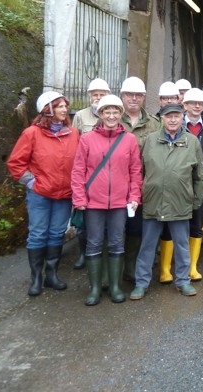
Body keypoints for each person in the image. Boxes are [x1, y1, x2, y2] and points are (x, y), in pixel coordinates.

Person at [70, 94, 142, 305]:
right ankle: (94, 289)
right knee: (93, 243)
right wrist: (79, 198)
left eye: (115, 112)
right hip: (93, 202)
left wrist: (134, 196)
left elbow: (135, 172)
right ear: (100, 115)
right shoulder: (87, 140)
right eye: (107, 112)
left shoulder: (129, 140)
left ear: (121, 114)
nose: (111, 116)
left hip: (120, 203)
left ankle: (115, 286)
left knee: (117, 243)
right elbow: (78, 171)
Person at [130, 104, 203, 299]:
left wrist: (195, 200)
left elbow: (200, 176)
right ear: (162, 118)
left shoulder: (192, 142)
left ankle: (183, 281)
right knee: (147, 245)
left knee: (181, 244)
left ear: (183, 117)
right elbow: (140, 171)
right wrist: (142, 194)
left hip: (180, 202)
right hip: (153, 201)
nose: (173, 120)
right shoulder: (150, 141)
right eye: (168, 116)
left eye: (177, 116)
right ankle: (141, 283)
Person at [8, 91, 79, 296]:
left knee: (57, 234)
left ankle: (51, 275)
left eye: (65, 106)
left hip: (64, 195)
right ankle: (36, 278)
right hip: (40, 194)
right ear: (47, 110)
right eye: (59, 106)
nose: (65, 110)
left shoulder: (73, 134)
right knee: (38, 234)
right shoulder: (32, 133)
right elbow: (15, 163)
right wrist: (32, 182)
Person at [159, 88, 203, 283]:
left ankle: (192, 267)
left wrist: (201, 173)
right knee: (170, 224)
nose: (197, 106)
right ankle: (166, 269)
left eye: (200, 104)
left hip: (200, 185)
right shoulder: (175, 126)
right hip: (175, 184)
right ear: (184, 105)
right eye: (193, 103)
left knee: (196, 224)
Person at [118, 76, 160, 282]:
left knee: (137, 228)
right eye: (129, 95)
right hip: (115, 185)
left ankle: (131, 267)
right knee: (114, 227)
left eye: (138, 95)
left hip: (143, 185)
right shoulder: (111, 118)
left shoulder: (154, 123)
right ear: (122, 96)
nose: (134, 99)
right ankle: (112, 271)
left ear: (143, 97)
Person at [71, 77, 112, 270]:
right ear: (89, 96)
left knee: (105, 223)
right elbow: (74, 143)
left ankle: (101, 255)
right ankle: (82, 253)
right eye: (94, 94)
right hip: (87, 175)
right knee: (83, 220)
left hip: (108, 175)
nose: (98, 97)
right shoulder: (80, 116)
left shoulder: (112, 115)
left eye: (101, 94)